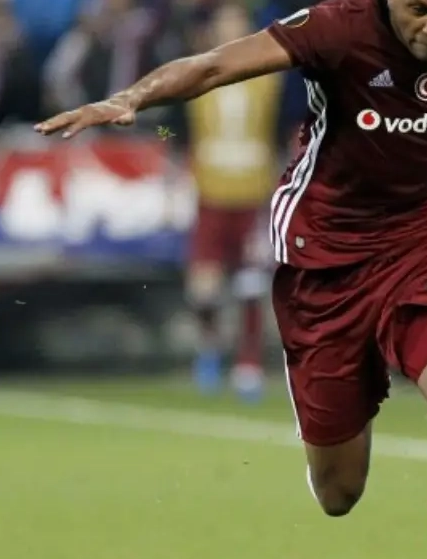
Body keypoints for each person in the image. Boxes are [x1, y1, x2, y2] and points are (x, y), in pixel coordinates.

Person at [35, 1, 427, 559]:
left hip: (422, 243)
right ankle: (329, 425)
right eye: (419, 11)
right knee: (339, 491)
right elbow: (216, 65)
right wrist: (131, 97)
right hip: (324, 260)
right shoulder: (338, 27)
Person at [182, 2, 281, 401]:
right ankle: (210, 346)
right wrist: (175, 150)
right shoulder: (195, 76)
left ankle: (248, 364)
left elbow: (284, 130)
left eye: (238, 23)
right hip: (211, 195)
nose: (231, 29)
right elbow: (170, 130)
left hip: (253, 195)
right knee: (203, 289)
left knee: (251, 284)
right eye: (225, 23)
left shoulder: (269, 79)